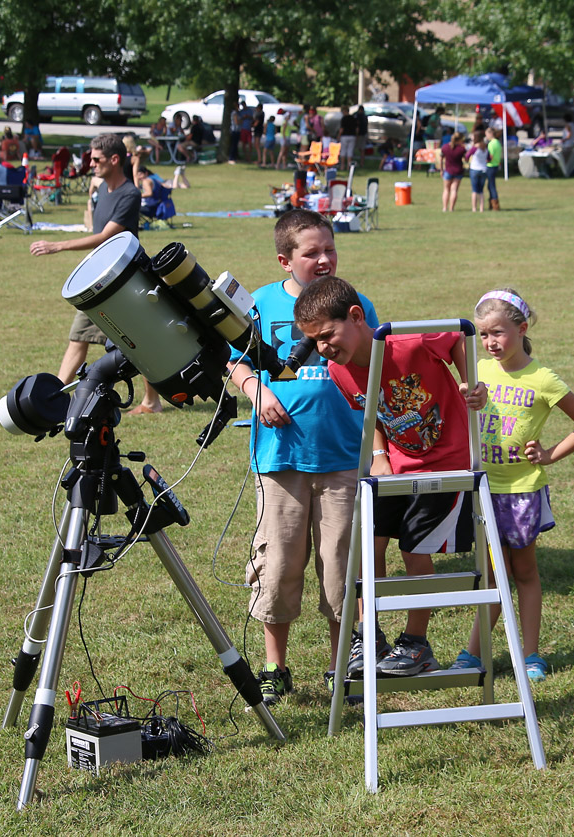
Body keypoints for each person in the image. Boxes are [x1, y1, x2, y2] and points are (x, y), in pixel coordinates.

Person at [293, 276, 487, 678]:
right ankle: (370, 636)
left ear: (356, 316)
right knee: (368, 545)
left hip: (445, 462)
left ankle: (417, 644)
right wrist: (380, 455)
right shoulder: (338, 370)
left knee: (414, 551)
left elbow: (456, 337)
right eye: (315, 341)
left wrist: (470, 380)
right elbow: (373, 414)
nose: (323, 347)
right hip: (395, 466)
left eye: (327, 335)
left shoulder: (410, 342)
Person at [226, 210, 379, 706]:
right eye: (312, 252)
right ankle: (275, 667)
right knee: (278, 565)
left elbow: (378, 363)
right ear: (285, 260)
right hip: (280, 459)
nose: (324, 259)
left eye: (330, 248)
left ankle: (342, 666)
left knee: (341, 567)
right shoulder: (259, 304)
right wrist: (257, 391)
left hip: (343, 456)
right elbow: (232, 360)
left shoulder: (355, 303)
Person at [448, 289, 574, 681]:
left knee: (525, 573)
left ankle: (531, 656)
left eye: (497, 332)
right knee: (492, 576)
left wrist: (550, 454)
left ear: (522, 328)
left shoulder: (542, 378)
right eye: (483, 334)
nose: (490, 342)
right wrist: (467, 398)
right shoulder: (478, 372)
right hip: (483, 490)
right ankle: (473, 654)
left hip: (522, 492)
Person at [29, 134, 163, 415]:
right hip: (100, 280)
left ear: (114, 159)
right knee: (78, 337)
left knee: (138, 342)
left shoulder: (129, 194)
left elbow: (106, 236)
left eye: (96, 159)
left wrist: (56, 246)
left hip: (124, 283)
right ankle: (55, 399)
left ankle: (152, 402)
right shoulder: (102, 188)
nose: (91, 164)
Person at [440, 129, 467, 212]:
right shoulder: (461, 149)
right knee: (454, 190)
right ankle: (451, 208)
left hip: (448, 170)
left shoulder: (445, 147)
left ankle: (445, 208)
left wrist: (441, 169)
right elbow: (466, 158)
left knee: (446, 189)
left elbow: (441, 158)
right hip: (458, 170)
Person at [466, 130, 489, 213]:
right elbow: (489, 158)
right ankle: (481, 208)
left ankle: (474, 208)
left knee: (474, 190)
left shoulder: (474, 148)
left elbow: (467, 156)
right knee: (481, 190)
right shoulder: (485, 147)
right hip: (483, 169)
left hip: (475, 169)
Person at [485, 126, 502, 211]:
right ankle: (492, 203)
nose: (486, 136)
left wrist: (485, 160)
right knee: (490, 185)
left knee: (491, 186)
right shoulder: (498, 142)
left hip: (490, 166)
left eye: (487, 134)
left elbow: (490, 156)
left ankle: (495, 204)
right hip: (495, 165)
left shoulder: (491, 143)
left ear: (491, 134)